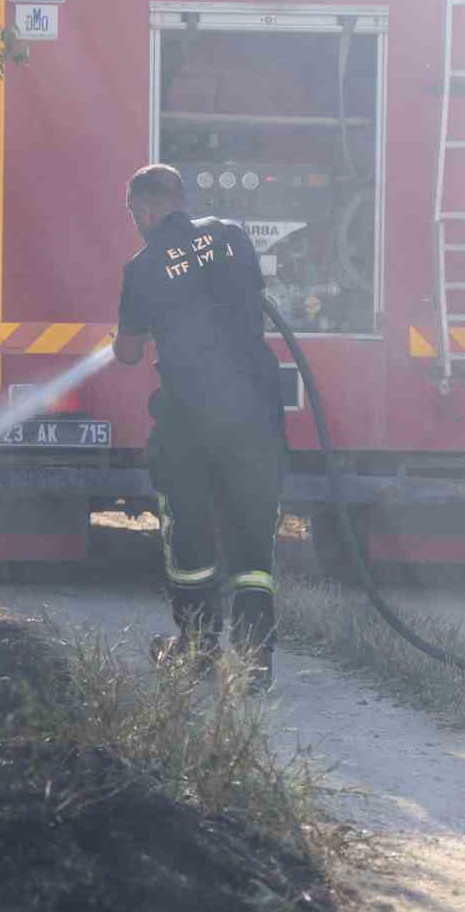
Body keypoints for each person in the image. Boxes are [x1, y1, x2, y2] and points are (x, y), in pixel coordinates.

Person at [113, 164, 286, 692]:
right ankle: (255, 663)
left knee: (189, 539)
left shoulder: (141, 267)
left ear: (144, 210)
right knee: (253, 547)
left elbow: (127, 351)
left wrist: (123, 339)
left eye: (135, 216)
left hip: (189, 422)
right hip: (255, 415)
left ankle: (198, 649)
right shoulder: (231, 236)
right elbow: (247, 303)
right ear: (180, 198)